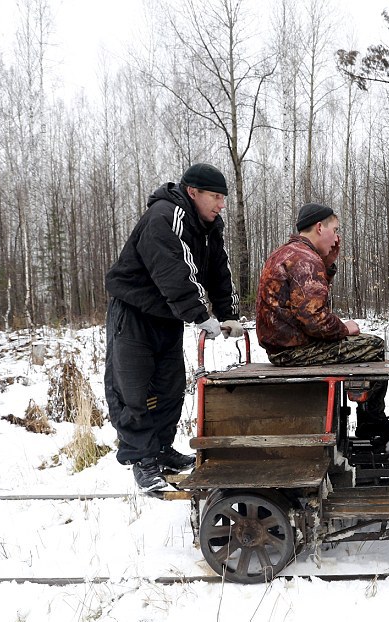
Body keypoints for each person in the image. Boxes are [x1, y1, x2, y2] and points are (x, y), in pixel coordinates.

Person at [104, 162, 244, 493]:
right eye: (215, 196)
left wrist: (227, 314)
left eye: (223, 198)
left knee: (168, 388)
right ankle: (142, 459)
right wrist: (199, 315)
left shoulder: (209, 227)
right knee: (134, 389)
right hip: (134, 313)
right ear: (192, 192)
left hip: (166, 316)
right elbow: (174, 270)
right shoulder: (165, 217)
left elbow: (217, 272)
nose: (221, 204)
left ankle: (162, 449)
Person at [255, 203, 389, 440]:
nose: (336, 237)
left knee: (364, 344)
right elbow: (314, 319)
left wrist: (327, 264)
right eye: (334, 230)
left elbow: (306, 301)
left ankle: (364, 415)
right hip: (295, 350)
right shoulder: (305, 260)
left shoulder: (288, 253)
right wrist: (345, 328)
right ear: (319, 227)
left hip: (283, 345)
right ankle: (372, 422)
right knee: (377, 346)